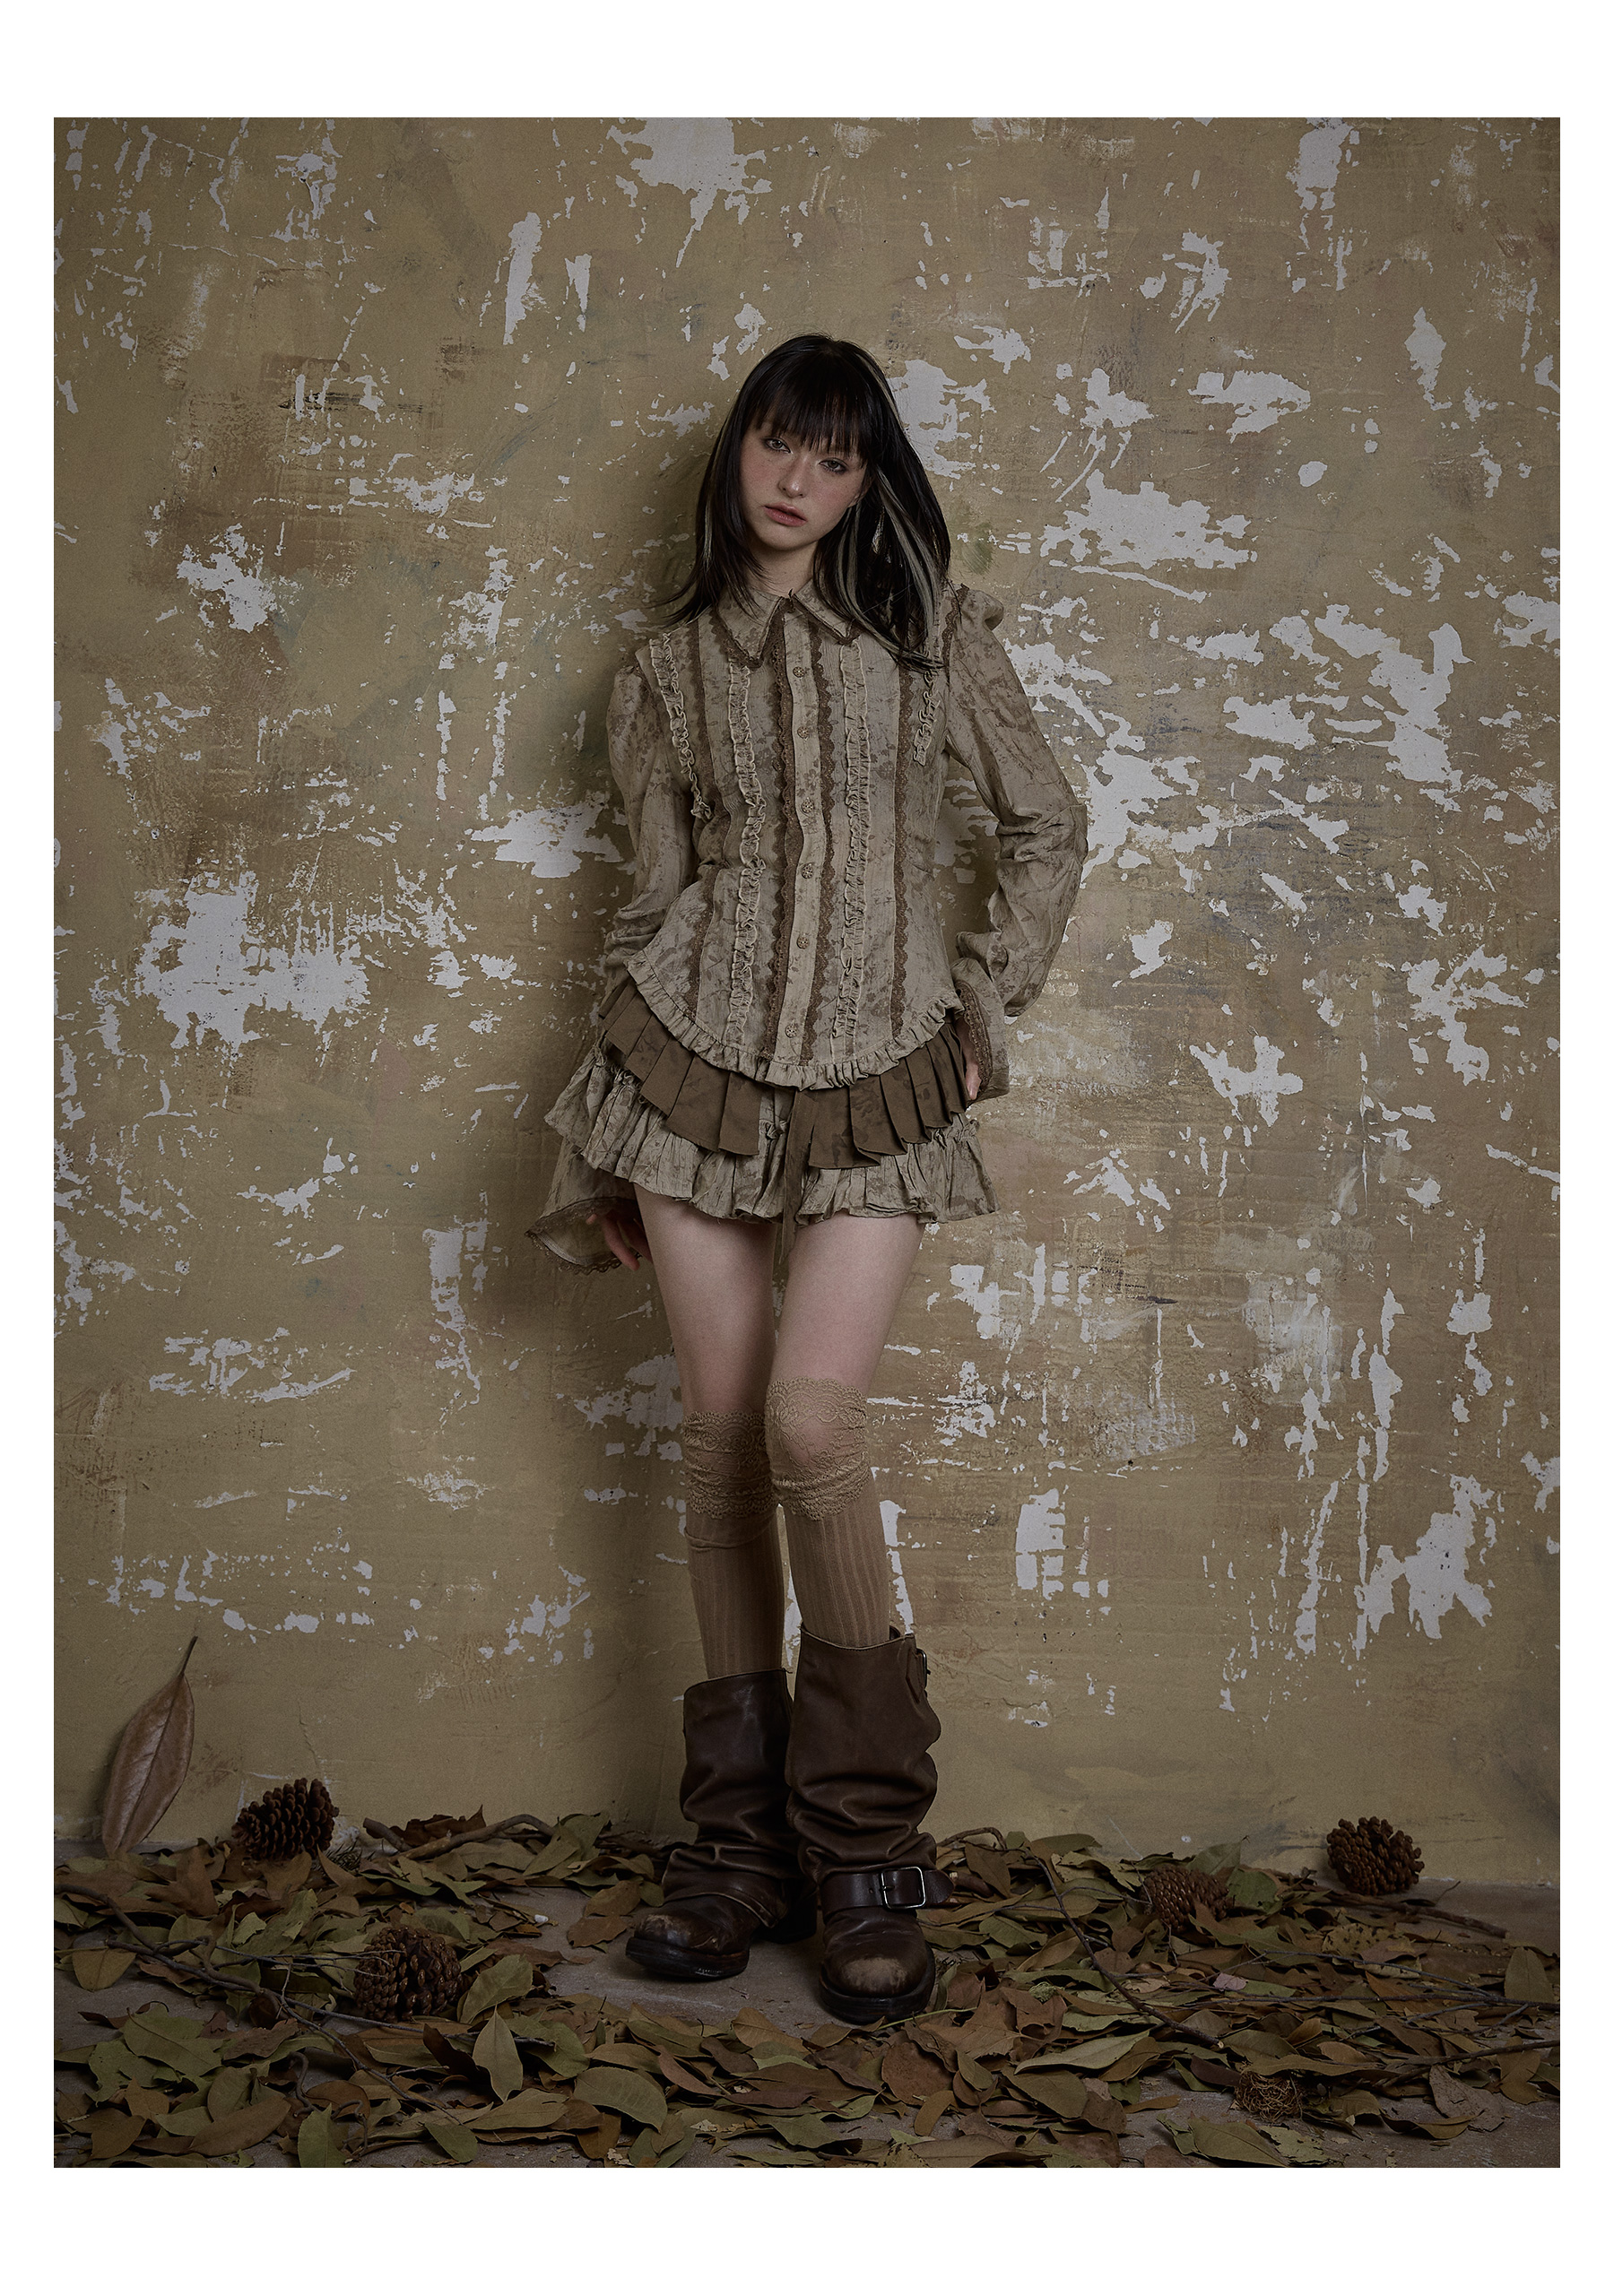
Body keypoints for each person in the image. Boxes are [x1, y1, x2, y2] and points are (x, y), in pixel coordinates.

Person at [529, 334, 1086, 2023]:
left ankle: (864, 1851)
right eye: (779, 442)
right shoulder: (663, 674)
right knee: (717, 1441)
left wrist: (985, 1002)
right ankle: (737, 1852)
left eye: (836, 459)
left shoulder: (935, 642)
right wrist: (596, 1136)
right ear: (740, 452)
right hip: (687, 1067)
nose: (799, 479)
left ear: (865, 482)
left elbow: (1048, 824)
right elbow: (649, 907)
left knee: (810, 1424)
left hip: (884, 1071)